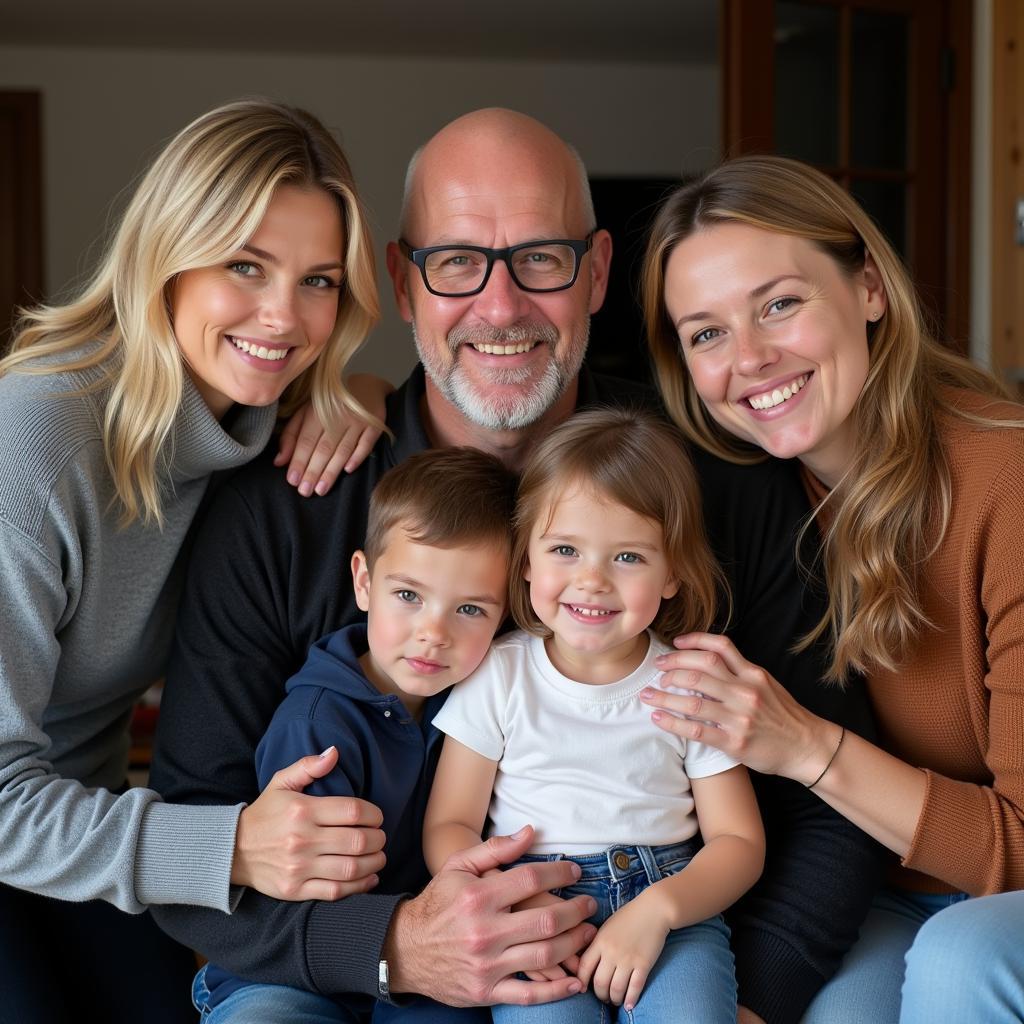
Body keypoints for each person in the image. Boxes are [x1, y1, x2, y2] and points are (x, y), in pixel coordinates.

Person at [149, 109, 880, 1024]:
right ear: (403, 284)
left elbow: (830, 789)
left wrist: (753, 995)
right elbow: (190, 831)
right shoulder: (289, 501)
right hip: (306, 966)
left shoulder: (714, 478)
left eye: (541, 258)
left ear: (600, 273)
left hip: (655, 949)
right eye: (457, 261)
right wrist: (391, 951)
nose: (500, 308)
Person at [0, 98, 385, 1023]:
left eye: (320, 281)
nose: (284, 316)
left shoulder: (257, 431)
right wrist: (232, 848)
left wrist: (366, 393)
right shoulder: (40, 436)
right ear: (165, 259)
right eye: (245, 266)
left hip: (76, 842)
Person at [638, 153, 1024, 1024]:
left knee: (960, 964)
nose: (751, 359)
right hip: (897, 892)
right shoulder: (745, 492)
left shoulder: (1007, 481)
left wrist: (805, 745)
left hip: (996, 895)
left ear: (870, 288)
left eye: (780, 304)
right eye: (706, 334)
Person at [424, 408, 766, 1023]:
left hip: (671, 910)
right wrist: (503, 911)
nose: (592, 580)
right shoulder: (499, 675)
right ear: (524, 559)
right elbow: (450, 824)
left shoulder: (690, 684)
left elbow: (738, 842)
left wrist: (659, 910)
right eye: (564, 549)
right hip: (535, 911)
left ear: (672, 574)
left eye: (629, 557)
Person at [196, 446, 519, 1022]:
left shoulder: (489, 705)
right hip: (296, 966)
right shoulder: (316, 724)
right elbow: (303, 897)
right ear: (364, 582)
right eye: (408, 596)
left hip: (432, 965)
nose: (432, 633)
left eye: (469, 609)